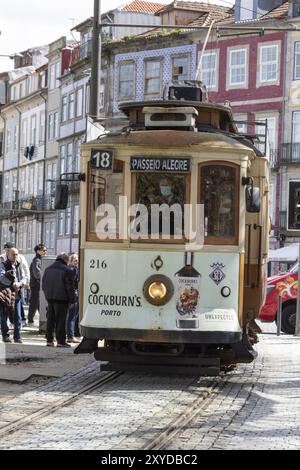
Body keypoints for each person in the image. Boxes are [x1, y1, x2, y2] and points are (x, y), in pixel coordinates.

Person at [42, 253, 75, 348]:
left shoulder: (48, 269)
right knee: (61, 320)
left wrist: (47, 295)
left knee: (50, 319)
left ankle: (49, 340)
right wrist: (72, 300)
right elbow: (69, 287)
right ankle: (61, 341)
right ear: (65, 260)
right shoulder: (67, 270)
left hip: (50, 298)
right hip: (62, 299)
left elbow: (44, 284)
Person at [0, 248, 27, 343]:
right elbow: (1, 278)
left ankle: (17, 337)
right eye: (13, 254)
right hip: (5, 294)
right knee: (4, 316)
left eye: (16, 254)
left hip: (17, 295)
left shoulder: (19, 265)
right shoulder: (3, 265)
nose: (15, 256)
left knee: (18, 317)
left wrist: (20, 284)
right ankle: (5, 336)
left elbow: (25, 277)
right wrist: (13, 283)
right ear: (8, 255)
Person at [28, 244, 47, 326]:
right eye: (44, 250)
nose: (45, 252)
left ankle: (43, 320)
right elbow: (37, 274)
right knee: (34, 303)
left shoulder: (40, 259)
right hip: (36, 285)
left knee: (39, 303)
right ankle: (30, 321)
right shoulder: (36, 260)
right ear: (38, 251)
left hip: (38, 285)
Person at [67, 253, 80, 344]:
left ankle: (72, 334)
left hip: (72, 294)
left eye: (77, 258)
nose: (76, 260)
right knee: (72, 316)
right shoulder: (73, 269)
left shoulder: (69, 269)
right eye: (74, 258)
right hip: (73, 295)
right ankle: (71, 336)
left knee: (73, 316)